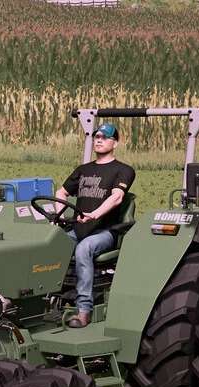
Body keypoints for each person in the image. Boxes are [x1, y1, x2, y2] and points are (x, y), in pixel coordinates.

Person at [54, 122, 135, 328]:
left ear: (115, 143)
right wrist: (59, 215)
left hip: (105, 231)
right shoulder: (83, 169)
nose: (99, 140)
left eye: (105, 137)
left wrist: (94, 215)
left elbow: (117, 198)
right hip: (78, 229)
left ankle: (84, 311)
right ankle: (44, 301)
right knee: (49, 246)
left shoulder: (123, 170)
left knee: (83, 249)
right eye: (96, 136)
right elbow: (61, 192)